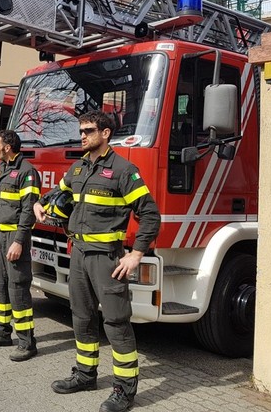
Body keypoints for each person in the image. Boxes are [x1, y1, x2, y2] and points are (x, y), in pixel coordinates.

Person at [34, 111, 160, 412]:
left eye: (88, 130)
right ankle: (86, 375)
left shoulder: (123, 170)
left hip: (107, 259)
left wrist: (137, 254)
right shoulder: (77, 169)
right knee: (82, 317)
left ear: (105, 134)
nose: (82, 135)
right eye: (81, 130)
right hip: (77, 254)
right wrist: (40, 201)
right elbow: (59, 194)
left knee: (116, 322)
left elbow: (150, 214)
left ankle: (125, 390)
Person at [0, 130, 41, 362]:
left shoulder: (27, 172)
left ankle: (26, 341)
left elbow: (28, 210)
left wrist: (19, 241)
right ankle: (2, 332)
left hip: (14, 237)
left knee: (18, 287)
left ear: (8, 147)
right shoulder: (3, 169)